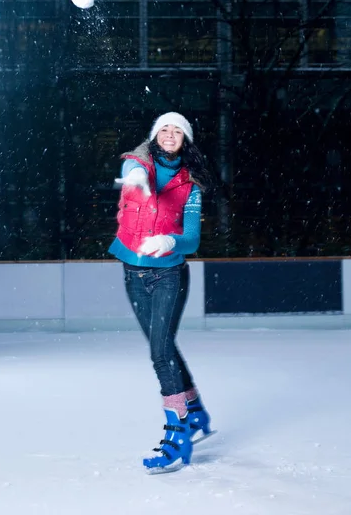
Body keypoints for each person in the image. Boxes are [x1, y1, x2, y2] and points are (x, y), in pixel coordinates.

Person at [109, 112, 213, 472]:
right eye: (164, 129)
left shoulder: (191, 184)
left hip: (168, 274)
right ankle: (196, 412)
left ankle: (178, 432)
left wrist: (171, 239)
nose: (170, 134)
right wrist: (136, 176)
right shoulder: (138, 166)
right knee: (164, 345)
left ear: (186, 139)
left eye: (178, 130)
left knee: (159, 352)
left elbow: (193, 238)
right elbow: (136, 166)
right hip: (132, 270)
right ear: (155, 135)